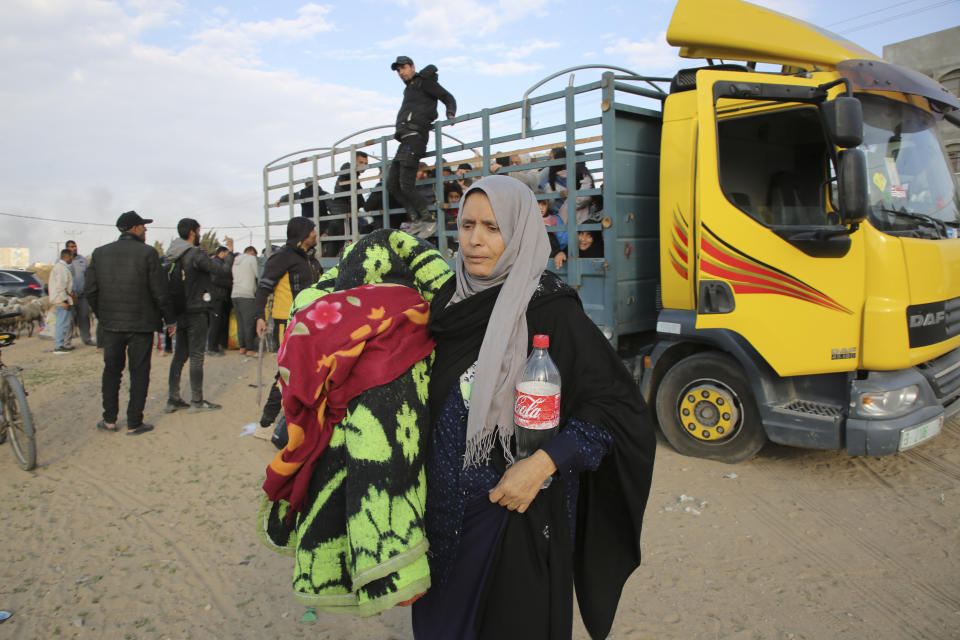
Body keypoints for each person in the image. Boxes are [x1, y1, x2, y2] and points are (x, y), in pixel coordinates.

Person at [413, 175, 656, 639]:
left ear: (521, 231)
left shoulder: (551, 310)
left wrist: (542, 464)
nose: (476, 240)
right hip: (441, 526)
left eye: (492, 226)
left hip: (514, 521)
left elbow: (614, 408)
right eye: (466, 225)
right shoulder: (446, 305)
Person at [84, 211, 177, 435]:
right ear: (134, 228)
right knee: (139, 372)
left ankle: (109, 420)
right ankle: (134, 422)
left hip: (111, 325)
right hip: (141, 324)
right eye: (143, 226)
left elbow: (90, 290)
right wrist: (169, 318)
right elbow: (160, 291)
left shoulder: (100, 253)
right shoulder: (147, 253)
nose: (146, 230)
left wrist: (103, 315)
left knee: (112, 371)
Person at [254, 217, 322, 436]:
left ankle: (301, 417)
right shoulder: (282, 258)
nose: (315, 234)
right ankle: (265, 424)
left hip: (311, 323)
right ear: (303, 233)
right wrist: (259, 316)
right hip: (288, 324)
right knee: (286, 374)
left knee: (309, 371)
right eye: (313, 230)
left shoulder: (310, 260)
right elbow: (264, 288)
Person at [164, 219, 234, 414]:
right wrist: (229, 253)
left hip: (179, 310)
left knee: (179, 355)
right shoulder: (194, 254)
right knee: (196, 356)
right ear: (193, 232)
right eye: (199, 231)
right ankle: (197, 401)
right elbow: (222, 271)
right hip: (196, 309)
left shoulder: (172, 254)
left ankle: (173, 398)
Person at [387, 55, 456, 238]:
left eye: (403, 68)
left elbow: (446, 96)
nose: (400, 72)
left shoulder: (424, 82)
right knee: (391, 184)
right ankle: (417, 219)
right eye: (398, 70)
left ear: (412, 67)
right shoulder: (409, 89)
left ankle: (428, 219)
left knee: (406, 184)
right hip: (404, 139)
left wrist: (450, 112)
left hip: (415, 137)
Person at [65, 240, 94, 346]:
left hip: (82, 295)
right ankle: (66, 342)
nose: (74, 248)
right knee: (69, 319)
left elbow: (87, 275)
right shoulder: (62, 261)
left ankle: (87, 339)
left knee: (84, 316)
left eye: (75, 246)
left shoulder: (82, 260)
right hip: (69, 296)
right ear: (67, 248)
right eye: (71, 247)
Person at [231, 246, 259, 356]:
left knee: (240, 323)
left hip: (235, 294)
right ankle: (250, 349)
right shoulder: (251, 259)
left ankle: (242, 347)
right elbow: (257, 274)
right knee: (249, 323)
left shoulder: (236, 260)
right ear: (252, 252)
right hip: (247, 295)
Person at [206, 246, 232, 357]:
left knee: (218, 322)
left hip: (218, 297)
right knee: (215, 323)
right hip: (216, 297)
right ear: (221, 253)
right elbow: (216, 279)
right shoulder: (216, 263)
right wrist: (229, 283)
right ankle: (211, 348)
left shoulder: (217, 262)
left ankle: (216, 346)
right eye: (226, 254)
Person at [49, 248, 75, 354]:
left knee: (63, 322)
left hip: (61, 298)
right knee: (62, 323)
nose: (72, 259)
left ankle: (61, 344)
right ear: (67, 256)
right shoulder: (61, 269)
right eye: (72, 256)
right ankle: (58, 346)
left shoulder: (61, 267)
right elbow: (61, 286)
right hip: (61, 300)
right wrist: (64, 300)